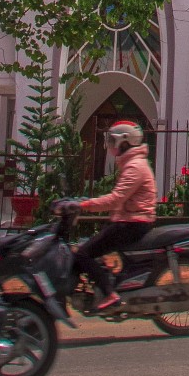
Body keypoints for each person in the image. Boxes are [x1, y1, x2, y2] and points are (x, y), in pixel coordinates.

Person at [71, 121, 157, 311]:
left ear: (124, 141)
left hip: (132, 224)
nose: (110, 145)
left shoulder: (134, 167)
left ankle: (109, 294)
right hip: (128, 221)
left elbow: (116, 199)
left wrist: (85, 205)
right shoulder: (132, 163)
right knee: (94, 246)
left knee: (83, 254)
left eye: (112, 140)